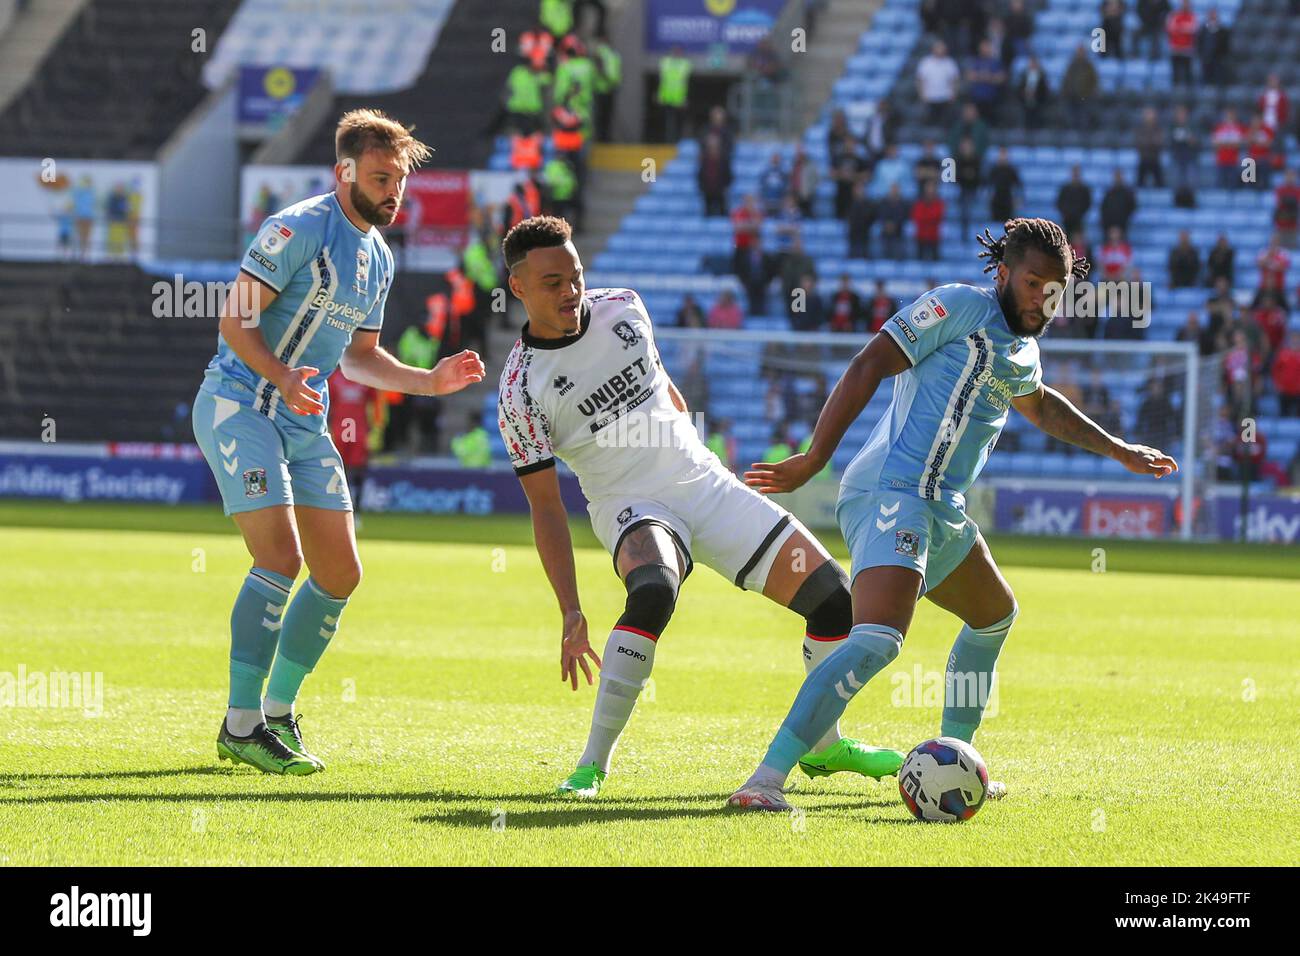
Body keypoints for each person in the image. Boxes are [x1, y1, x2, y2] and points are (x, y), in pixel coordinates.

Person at [727, 218, 1177, 811]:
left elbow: (1041, 407)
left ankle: (955, 760)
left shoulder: (1022, 349)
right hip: (893, 489)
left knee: (994, 616)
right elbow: (868, 364)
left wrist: (1120, 451)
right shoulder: (959, 306)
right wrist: (815, 458)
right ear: (1003, 273)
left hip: (941, 505)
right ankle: (764, 779)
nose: (1043, 297)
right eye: (1033, 282)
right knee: (880, 639)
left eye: (1055, 287)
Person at [496, 215, 903, 798]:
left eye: (576, 276)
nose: (570, 292)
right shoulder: (520, 387)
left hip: (708, 487)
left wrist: (692, 449)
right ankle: (592, 764)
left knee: (836, 601)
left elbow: (664, 387)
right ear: (519, 288)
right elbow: (545, 507)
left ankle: (824, 745)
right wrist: (570, 609)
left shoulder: (625, 308)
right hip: (630, 505)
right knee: (655, 589)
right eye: (552, 282)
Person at [192, 110, 485, 774]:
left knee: (341, 573)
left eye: (401, 182)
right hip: (240, 401)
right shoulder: (295, 227)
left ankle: (277, 714)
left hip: (302, 417)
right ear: (343, 172)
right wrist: (280, 374)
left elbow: (360, 358)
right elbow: (236, 321)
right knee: (280, 557)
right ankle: (239, 725)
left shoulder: (379, 257)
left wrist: (429, 382)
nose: (393, 193)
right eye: (382, 178)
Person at [916, 40, 961, 127]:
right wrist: (921, 95)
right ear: (933, 49)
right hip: (930, 97)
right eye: (939, 48)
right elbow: (920, 80)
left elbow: (955, 80)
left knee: (945, 123)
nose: (941, 50)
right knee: (929, 123)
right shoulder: (925, 62)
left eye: (943, 49)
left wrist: (954, 94)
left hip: (945, 97)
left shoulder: (950, 62)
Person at [657, 45, 691, 142]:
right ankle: (667, 141)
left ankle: (676, 141)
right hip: (667, 97)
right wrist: (660, 96)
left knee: (678, 122)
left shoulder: (685, 64)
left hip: (679, 99)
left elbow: (686, 83)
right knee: (667, 122)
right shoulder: (665, 62)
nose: (677, 53)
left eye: (679, 51)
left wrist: (685, 98)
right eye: (675, 51)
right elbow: (662, 80)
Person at [1166, 0, 1197, 87]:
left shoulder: (1192, 16)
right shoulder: (1174, 16)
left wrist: (1180, 28)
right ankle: (1175, 91)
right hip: (1175, 48)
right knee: (1175, 73)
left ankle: (1189, 92)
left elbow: (1193, 29)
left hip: (1187, 49)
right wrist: (1184, 28)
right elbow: (1170, 28)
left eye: (1187, 5)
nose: (1185, 6)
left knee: (1188, 73)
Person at [912, 180, 945, 261]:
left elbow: (938, 217)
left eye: (932, 188)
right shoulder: (919, 203)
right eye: (928, 188)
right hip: (920, 236)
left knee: (935, 262)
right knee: (919, 261)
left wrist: (926, 217)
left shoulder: (939, 204)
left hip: (934, 237)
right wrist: (929, 218)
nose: (930, 190)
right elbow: (917, 218)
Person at [987, 147, 1023, 222]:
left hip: (1008, 201)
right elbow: (987, 185)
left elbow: (1019, 185)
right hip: (996, 201)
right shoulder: (994, 170)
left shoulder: (1011, 170)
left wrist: (1018, 199)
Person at [1056, 164, 1092, 237]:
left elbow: (1088, 204)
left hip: (1079, 220)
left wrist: (1079, 214)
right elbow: (1059, 203)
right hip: (1067, 220)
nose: (1075, 175)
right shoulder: (1065, 189)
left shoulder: (1084, 189)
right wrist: (1066, 213)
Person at [1100, 169, 1137, 237]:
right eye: (1116, 177)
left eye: (1119, 176)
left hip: (1122, 224)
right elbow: (1103, 208)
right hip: (1109, 225)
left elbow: (1132, 207)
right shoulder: (1109, 193)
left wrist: (1124, 218)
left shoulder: (1128, 193)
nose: (1118, 179)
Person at [1135, 107, 1165, 187]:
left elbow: (1159, 143)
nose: (1150, 117)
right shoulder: (1140, 128)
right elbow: (1139, 143)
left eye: (1151, 115)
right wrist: (1151, 142)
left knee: (1160, 183)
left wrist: (1149, 143)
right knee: (1139, 183)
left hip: (1155, 158)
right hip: (1144, 158)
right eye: (1148, 115)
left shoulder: (1158, 128)